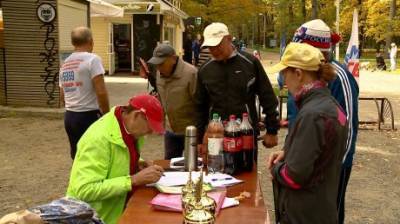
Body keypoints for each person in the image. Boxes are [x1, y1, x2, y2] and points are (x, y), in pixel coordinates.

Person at [267, 42, 348, 224]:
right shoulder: (332, 106)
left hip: (304, 216)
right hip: (322, 210)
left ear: (298, 74)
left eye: (284, 74)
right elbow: (321, 154)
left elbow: (294, 177)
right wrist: (288, 153)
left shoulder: (312, 114)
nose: (283, 82)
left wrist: (276, 168)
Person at [291, 19, 359, 224]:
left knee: (330, 215)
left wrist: (336, 169)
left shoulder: (340, 78)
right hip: (305, 162)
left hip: (331, 168)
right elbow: (297, 119)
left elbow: (348, 129)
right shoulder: (302, 75)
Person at [66, 94, 165, 224]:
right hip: (93, 217)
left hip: (117, 209)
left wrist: (138, 162)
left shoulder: (129, 129)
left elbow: (121, 153)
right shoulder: (99, 138)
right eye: (150, 127)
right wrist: (133, 180)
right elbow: (84, 190)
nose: (150, 132)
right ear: (136, 115)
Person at [194, 22, 280, 154]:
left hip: (245, 133)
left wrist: (272, 130)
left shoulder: (250, 63)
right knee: (215, 171)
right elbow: (200, 106)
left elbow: (267, 97)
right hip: (216, 134)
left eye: (217, 45)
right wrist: (199, 139)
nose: (214, 50)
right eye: (210, 47)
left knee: (246, 172)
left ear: (229, 38)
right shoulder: (205, 70)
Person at [59, 26, 110, 159]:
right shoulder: (92, 60)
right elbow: (101, 92)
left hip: (69, 116)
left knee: (77, 155)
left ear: (73, 43)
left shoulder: (65, 63)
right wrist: (107, 115)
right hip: (88, 116)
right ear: (91, 41)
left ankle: (77, 179)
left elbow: (62, 96)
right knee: (94, 155)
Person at [148, 43, 198, 159]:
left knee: (192, 166)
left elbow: (200, 104)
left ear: (173, 59)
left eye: (161, 63)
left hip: (190, 131)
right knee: (169, 166)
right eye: (156, 64)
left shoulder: (191, 73)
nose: (158, 68)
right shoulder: (159, 73)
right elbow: (161, 100)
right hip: (170, 131)